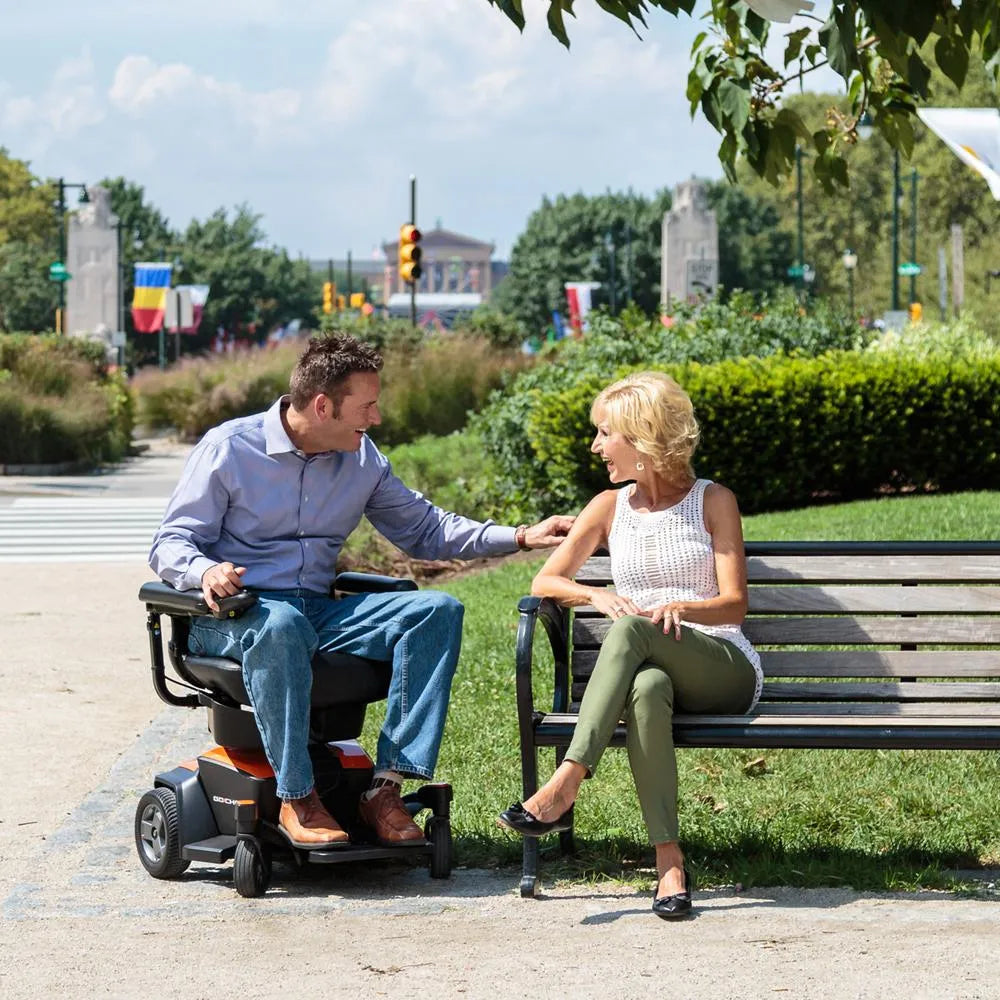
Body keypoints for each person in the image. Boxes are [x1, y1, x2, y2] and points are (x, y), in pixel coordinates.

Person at [150, 333, 573, 851]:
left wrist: (524, 536)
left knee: (437, 609)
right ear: (323, 405)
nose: (376, 418)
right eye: (366, 406)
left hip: (315, 612)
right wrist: (204, 570)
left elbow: (427, 530)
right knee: (281, 625)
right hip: (236, 613)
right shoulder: (229, 450)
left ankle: (384, 789)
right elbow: (170, 542)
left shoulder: (362, 460)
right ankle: (298, 797)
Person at [498, 371, 762, 920]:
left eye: (604, 433)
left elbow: (735, 604)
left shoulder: (714, 501)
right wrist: (596, 596)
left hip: (722, 665)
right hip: (653, 666)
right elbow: (545, 582)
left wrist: (681, 608)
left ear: (642, 436)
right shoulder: (608, 507)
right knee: (646, 687)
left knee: (633, 629)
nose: (595, 446)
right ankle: (669, 863)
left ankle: (566, 783)